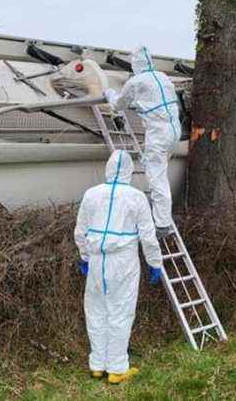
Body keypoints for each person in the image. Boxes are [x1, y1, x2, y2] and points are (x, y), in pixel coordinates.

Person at [74, 149, 164, 384]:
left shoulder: (91, 194)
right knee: (120, 311)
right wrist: (155, 263)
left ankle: (97, 365)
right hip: (123, 261)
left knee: (95, 310)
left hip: (96, 260)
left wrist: (84, 257)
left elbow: (80, 231)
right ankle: (116, 369)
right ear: (129, 171)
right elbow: (148, 235)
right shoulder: (135, 197)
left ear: (108, 168)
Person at [104, 46, 182, 237]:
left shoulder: (135, 81)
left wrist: (109, 94)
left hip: (159, 132)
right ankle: (161, 212)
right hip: (174, 129)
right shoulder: (162, 77)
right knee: (158, 167)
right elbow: (159, 100)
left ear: (135, 64)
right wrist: (140, 104)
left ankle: (162, 224)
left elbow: (117, 105)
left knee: (156, 177)